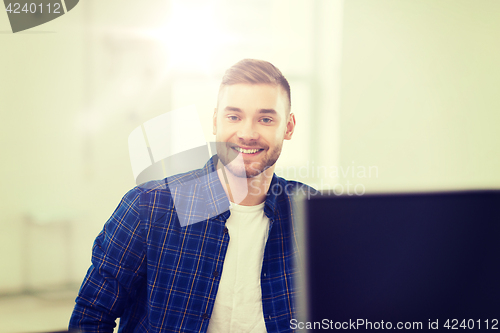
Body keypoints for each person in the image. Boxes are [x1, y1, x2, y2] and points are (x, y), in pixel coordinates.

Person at [69, 59, 313, 333]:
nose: (247, 133)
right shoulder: (149, 206)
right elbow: (90, 317)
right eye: (234, 117)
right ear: (215, 122)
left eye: (265, 119)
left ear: (289, 127)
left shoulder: (313, 214)